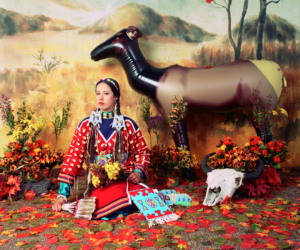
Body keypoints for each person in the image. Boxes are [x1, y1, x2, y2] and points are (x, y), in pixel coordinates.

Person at [52, 78, 192, 220]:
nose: (100, 97)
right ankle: (156, 197)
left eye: (106, 93)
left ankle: (164, 197)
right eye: (98, 93)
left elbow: (142, 152)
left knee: (123, 198)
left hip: (123, 180)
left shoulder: (128, 125)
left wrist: (137, 172)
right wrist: (62, 196)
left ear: (116, 97)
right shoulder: (86, 125)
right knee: (100, 207)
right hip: (98, 184)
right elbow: (73, 160)